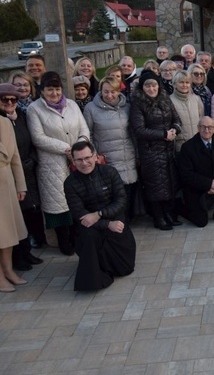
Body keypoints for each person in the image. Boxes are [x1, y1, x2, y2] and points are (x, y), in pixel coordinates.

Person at [27, 71, 90, 256]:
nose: (54, 93)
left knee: (79, 198)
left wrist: (81, 145)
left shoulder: (71, 104)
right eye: (49, 90)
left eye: (57, 89)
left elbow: (83, 127)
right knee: (59, 203)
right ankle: (64, 241)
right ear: (42, 90)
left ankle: (78, 236)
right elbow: (38, 137)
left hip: (78, 160)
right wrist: (66, 148)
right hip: (53, 164)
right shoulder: (35, 109)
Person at [63, 141, 136, 291]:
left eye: (87, 158)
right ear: (73, 161)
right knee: (89, 236)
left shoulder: (110, 172)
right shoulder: (70, 183)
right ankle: (93, 279)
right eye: (79, 160)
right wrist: (105, 224)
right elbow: (79, 214)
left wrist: (100, 215)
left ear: (95, 156)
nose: (84, 163)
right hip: (90, 226)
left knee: (125, 269)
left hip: (115, 219)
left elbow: (121, 200)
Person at [0, 83, 46, 267]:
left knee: (27, 214)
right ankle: (17, 257)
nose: (10, 102)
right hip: (6, 176)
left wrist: (32, 160)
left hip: (26, 169)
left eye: (14, 99)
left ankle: (25, 252)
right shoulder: (2, 121)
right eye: (5, 99)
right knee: (11, 219)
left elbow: (32, 140)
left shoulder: (21, 118)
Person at [130, 71, 182, 230]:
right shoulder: (138, 103)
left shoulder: (165, 99)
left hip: (168, 150)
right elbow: (139, 130)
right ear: (142, 87)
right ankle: (158, 218)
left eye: (154, 85)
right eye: (147, 85)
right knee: (155, 186)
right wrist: (163, 134)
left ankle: (168, 214)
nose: (151, 89)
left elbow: (176, 119)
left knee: (169, 184)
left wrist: (175, 129)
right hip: (150, 151)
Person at [83, 77, 139, 222]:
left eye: (113, 91)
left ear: (118, 91)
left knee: (129, 189)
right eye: (105, 91)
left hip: (128, 154)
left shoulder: (126, 106)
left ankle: (128, 221)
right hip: (107, 156)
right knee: (114, 191)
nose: (109, 95)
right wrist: (94, 154)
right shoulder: (91, 108)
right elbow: (88, 133)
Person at [177, 117, 214, 226]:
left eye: (210, 127)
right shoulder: (188, 147)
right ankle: (180, 207)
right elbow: (187, 175)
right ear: (198, 128)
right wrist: (208, 184)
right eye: (203, 127)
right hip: (196, 186)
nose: (207, 130)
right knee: (201, 222)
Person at [0, 94, 29, 291]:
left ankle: (8, 270)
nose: (9, 103)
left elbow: (15, 157)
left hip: (6, 182)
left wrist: (21, 185)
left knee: (8, 231)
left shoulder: (5, 122)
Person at [170, 70, 205, 152]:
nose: (184, 85)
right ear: (175, 84)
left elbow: (201, 120)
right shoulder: (169, 101)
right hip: (181, 146)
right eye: (181, 82)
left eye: (187, 82)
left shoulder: (196, 99)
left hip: (198, 144)